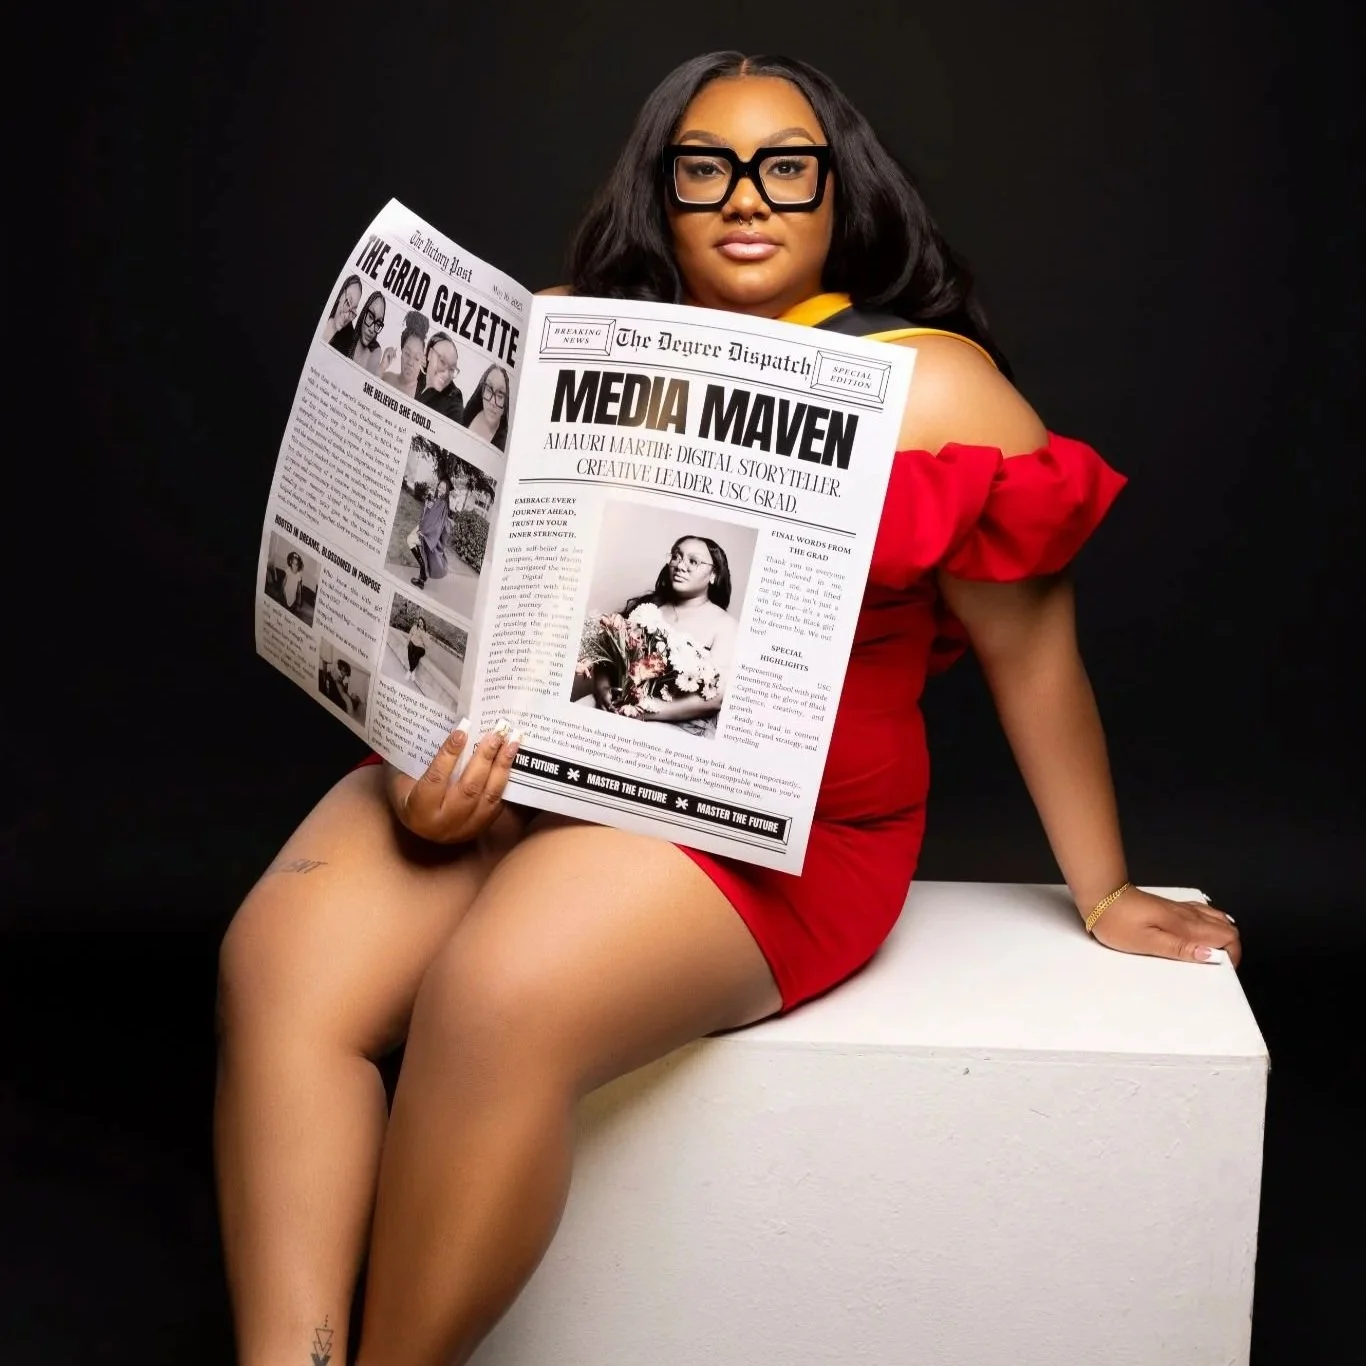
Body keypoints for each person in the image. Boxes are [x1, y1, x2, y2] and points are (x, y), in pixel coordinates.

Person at [216, 52, 1243, 1366]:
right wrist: (428, 765)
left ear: (834, 191)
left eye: (782, 166)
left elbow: (1035, 661)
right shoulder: (559, 330)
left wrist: (1098, 888)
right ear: (663, 189)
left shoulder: (932, 386)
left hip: (769, 833)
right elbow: (470, 600)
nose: (741, 198)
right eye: (702, 167)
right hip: (518, 768)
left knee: (499, 988)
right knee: (279, 958)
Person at [589, 535, 737, 737]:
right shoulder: (648, 609)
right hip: (621, 706)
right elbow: (607, 659)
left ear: (714, 575)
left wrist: (645, 713)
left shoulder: (725, 625)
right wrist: (603, 688)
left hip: (679, 724)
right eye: (676, 557)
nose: (680, 565)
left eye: (693, 561)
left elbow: (715, 698)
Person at [406, 477, 452, 589]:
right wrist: (427, 506)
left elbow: (437, 524)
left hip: (429, 534)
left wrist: (424, 532)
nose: (440, 489)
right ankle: (423, 575)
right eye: (439, 486)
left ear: (446, 491)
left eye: (443, 488)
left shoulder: (443, 504)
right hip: (424, 528)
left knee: (410, 540)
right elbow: (427, 515)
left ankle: (423, 571)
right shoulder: (436, 500)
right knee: (411, 540)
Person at [330, 290, 387, 376]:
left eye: (378, 324)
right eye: (371, 317)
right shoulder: (344, 334)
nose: (372, 329)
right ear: (364, 313)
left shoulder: (375, 353)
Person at [415, 332, 465, 422]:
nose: (446, 375)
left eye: (452, 369)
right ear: (429, 354)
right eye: (442, 361)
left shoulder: (454, 398)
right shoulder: (418, 372)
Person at [381, 310, 429, 398]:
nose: (410, 362)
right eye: (407, 354)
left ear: (422, 359)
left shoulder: (424, 397)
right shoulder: (386, 378)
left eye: (417, 358)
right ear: (401, 351)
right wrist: (382, 367)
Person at [461, 363, 510, 448]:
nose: (492, 402)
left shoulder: (503, 444)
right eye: (489, 390)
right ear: (482, 390)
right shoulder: (466, 414)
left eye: (500, 396)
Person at [322, 274, 362, 345]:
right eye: (348, 303)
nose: (347, 316)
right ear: (340, 294)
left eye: (353, 311)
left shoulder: (349, 342)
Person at [405, 616, 429, 684]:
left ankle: (409, 672)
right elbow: (410, 635)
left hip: (421, 648)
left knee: (416, 654)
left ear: (424, 623)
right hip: (413, 644)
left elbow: (427, 645)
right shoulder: (414, 627)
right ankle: (413, 671)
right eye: (419, 622)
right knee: (410, 650)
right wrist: (407, 643)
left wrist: (422, 635)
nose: (420, 623)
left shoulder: (426, 633)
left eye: (421, 622)